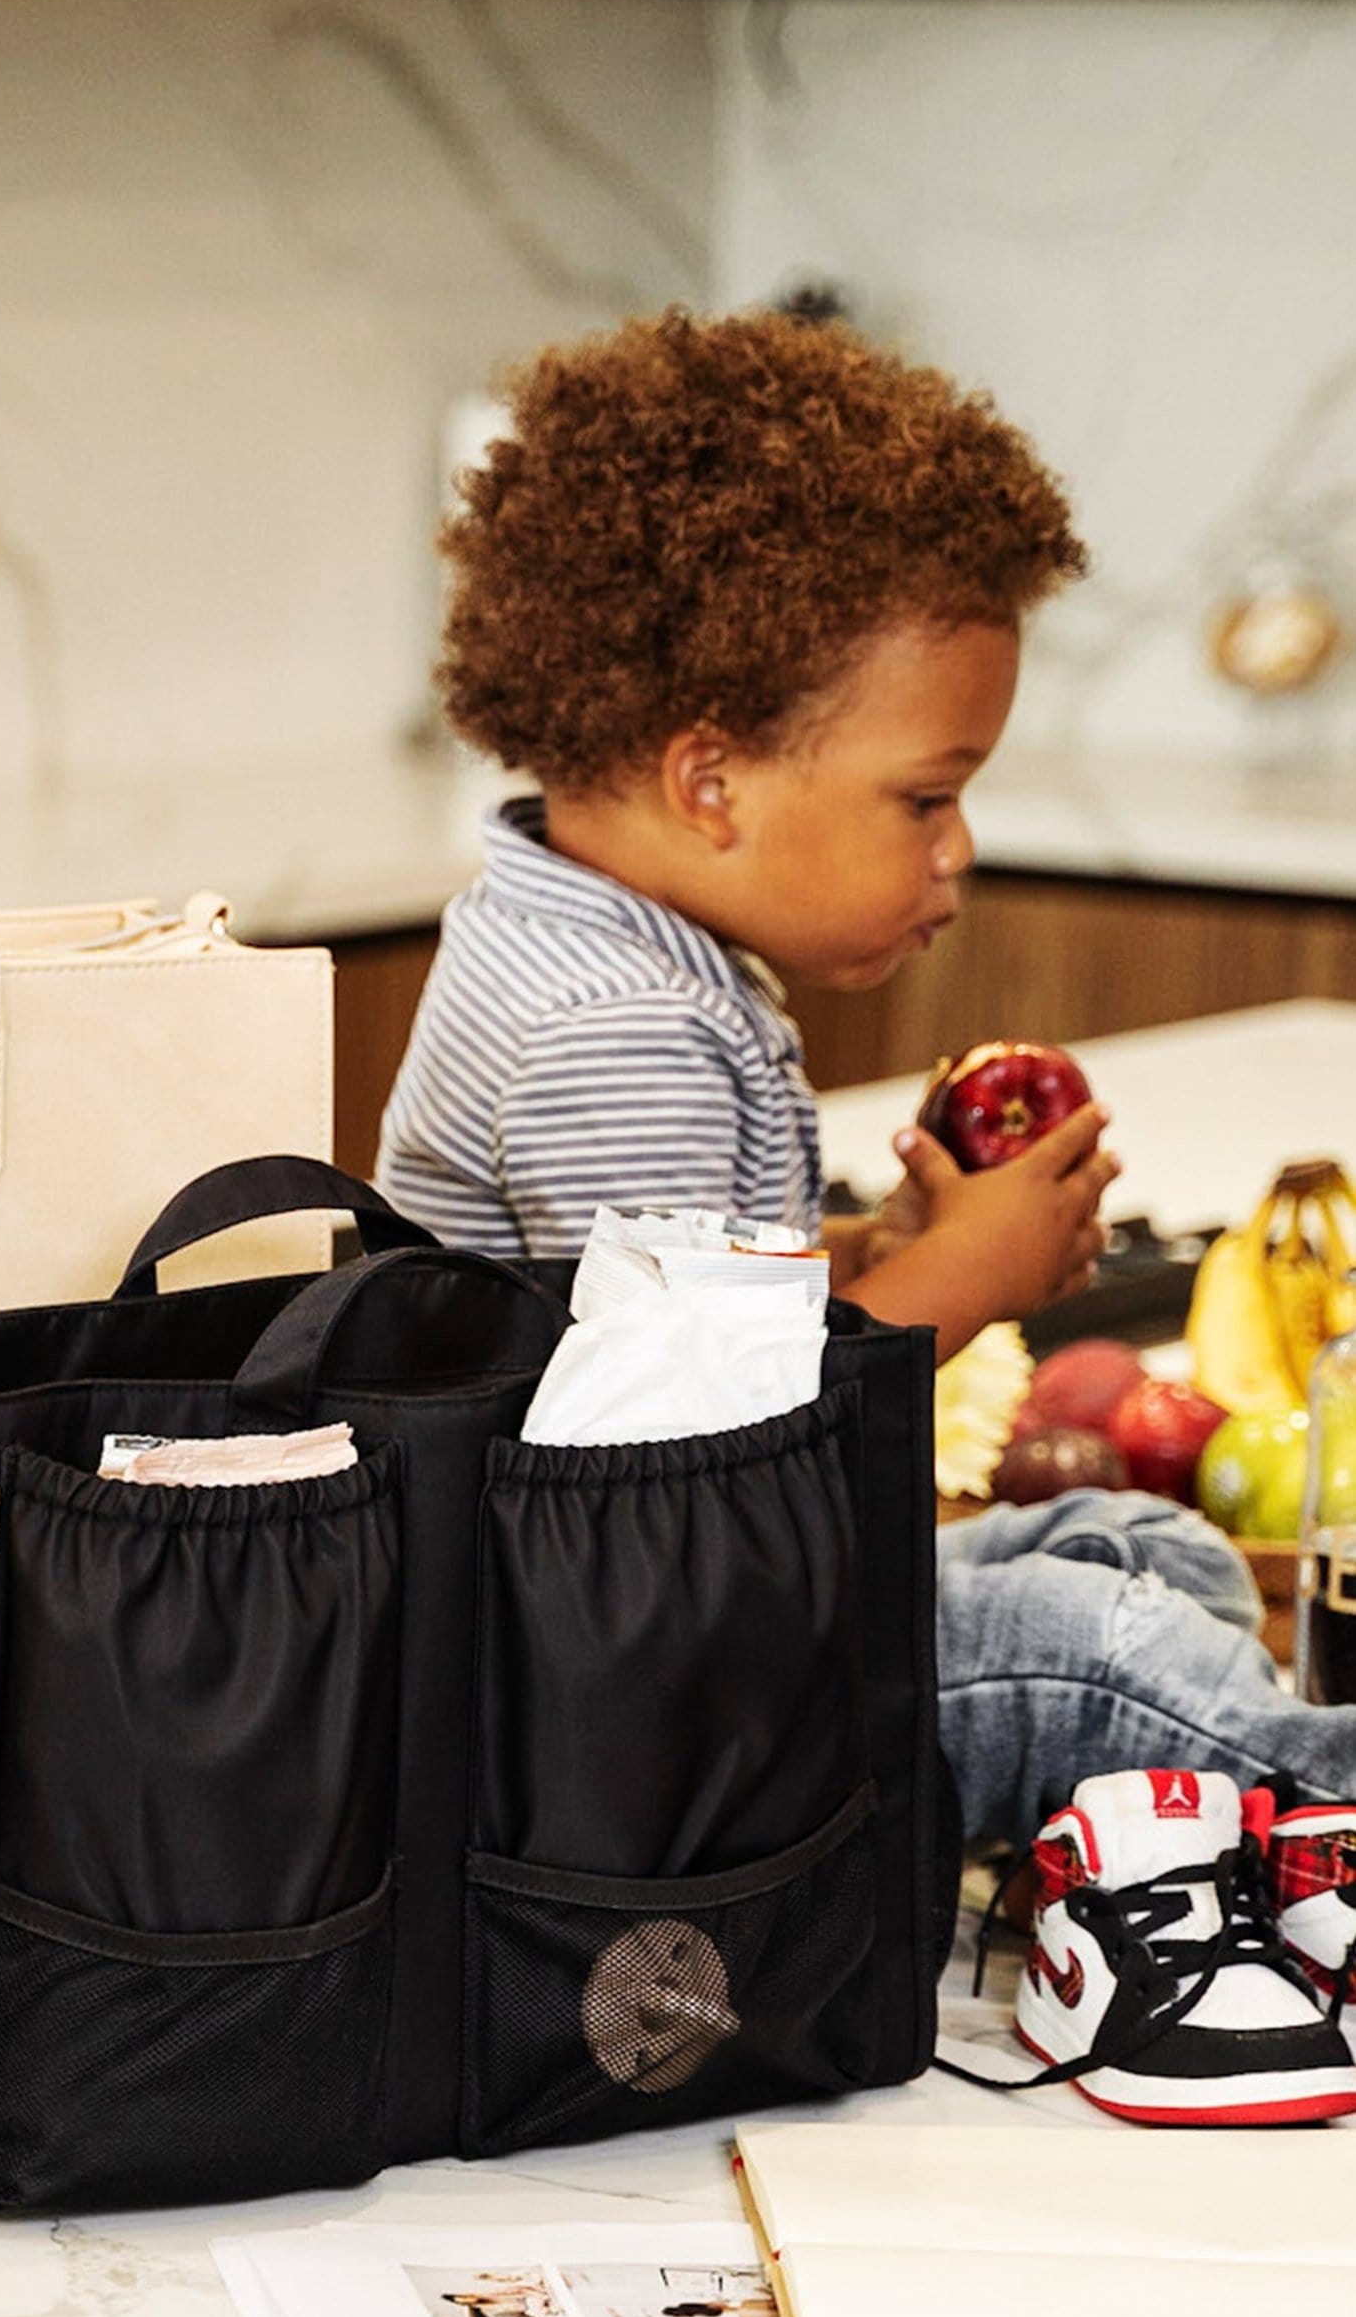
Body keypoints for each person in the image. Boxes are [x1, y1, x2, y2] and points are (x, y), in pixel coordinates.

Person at [378, 302, 1356, 1860]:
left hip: (667, 1628)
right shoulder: (621, 1028)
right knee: (1109, 1653)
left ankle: (1158, 1845)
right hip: (645, 1713)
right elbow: (688, 1471)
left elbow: (617, 1318)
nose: (958, 851)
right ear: (711, 781)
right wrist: (959, 1287)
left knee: (1134, 1548)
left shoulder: (587, 940)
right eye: (928, 797)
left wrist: (867, 1260)